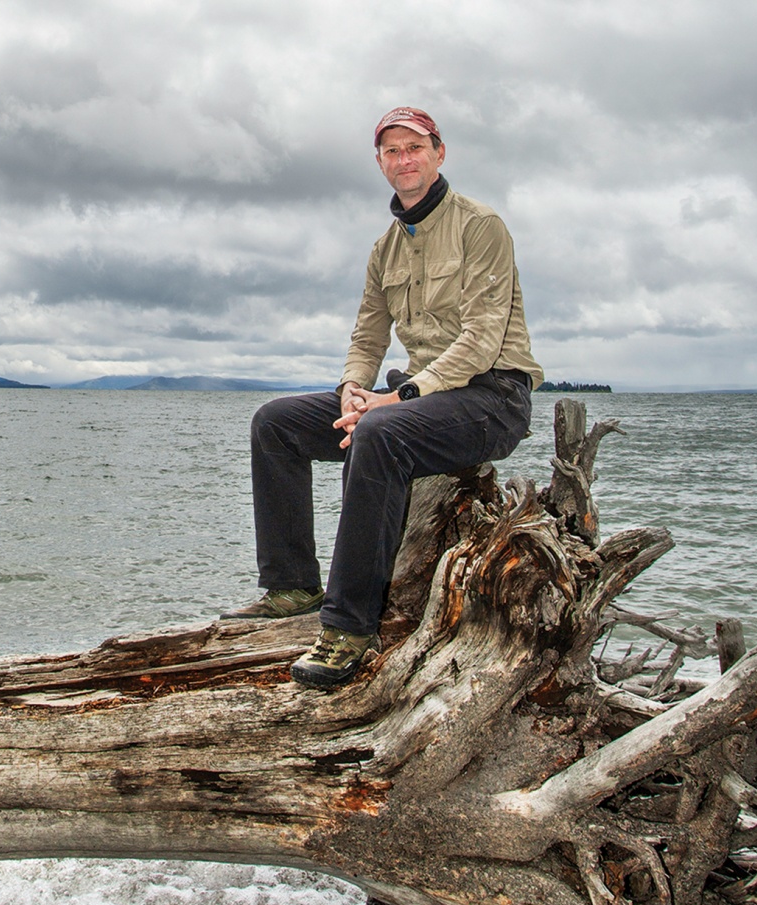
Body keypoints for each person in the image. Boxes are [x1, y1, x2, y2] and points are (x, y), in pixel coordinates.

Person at [223, 107, 543, 690]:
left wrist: (395, 398)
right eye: (391, 151)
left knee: (379, 432)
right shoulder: (384, 249)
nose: (404, 159)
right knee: (275, 423)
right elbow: (368, 334)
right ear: (380, 163)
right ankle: (292, 586)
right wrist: (352, 387)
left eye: (414, 147)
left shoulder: (481, 226)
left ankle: (349, 628)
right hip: (416, 398)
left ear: (439, 153)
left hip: (492, 396)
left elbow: (481, 338)